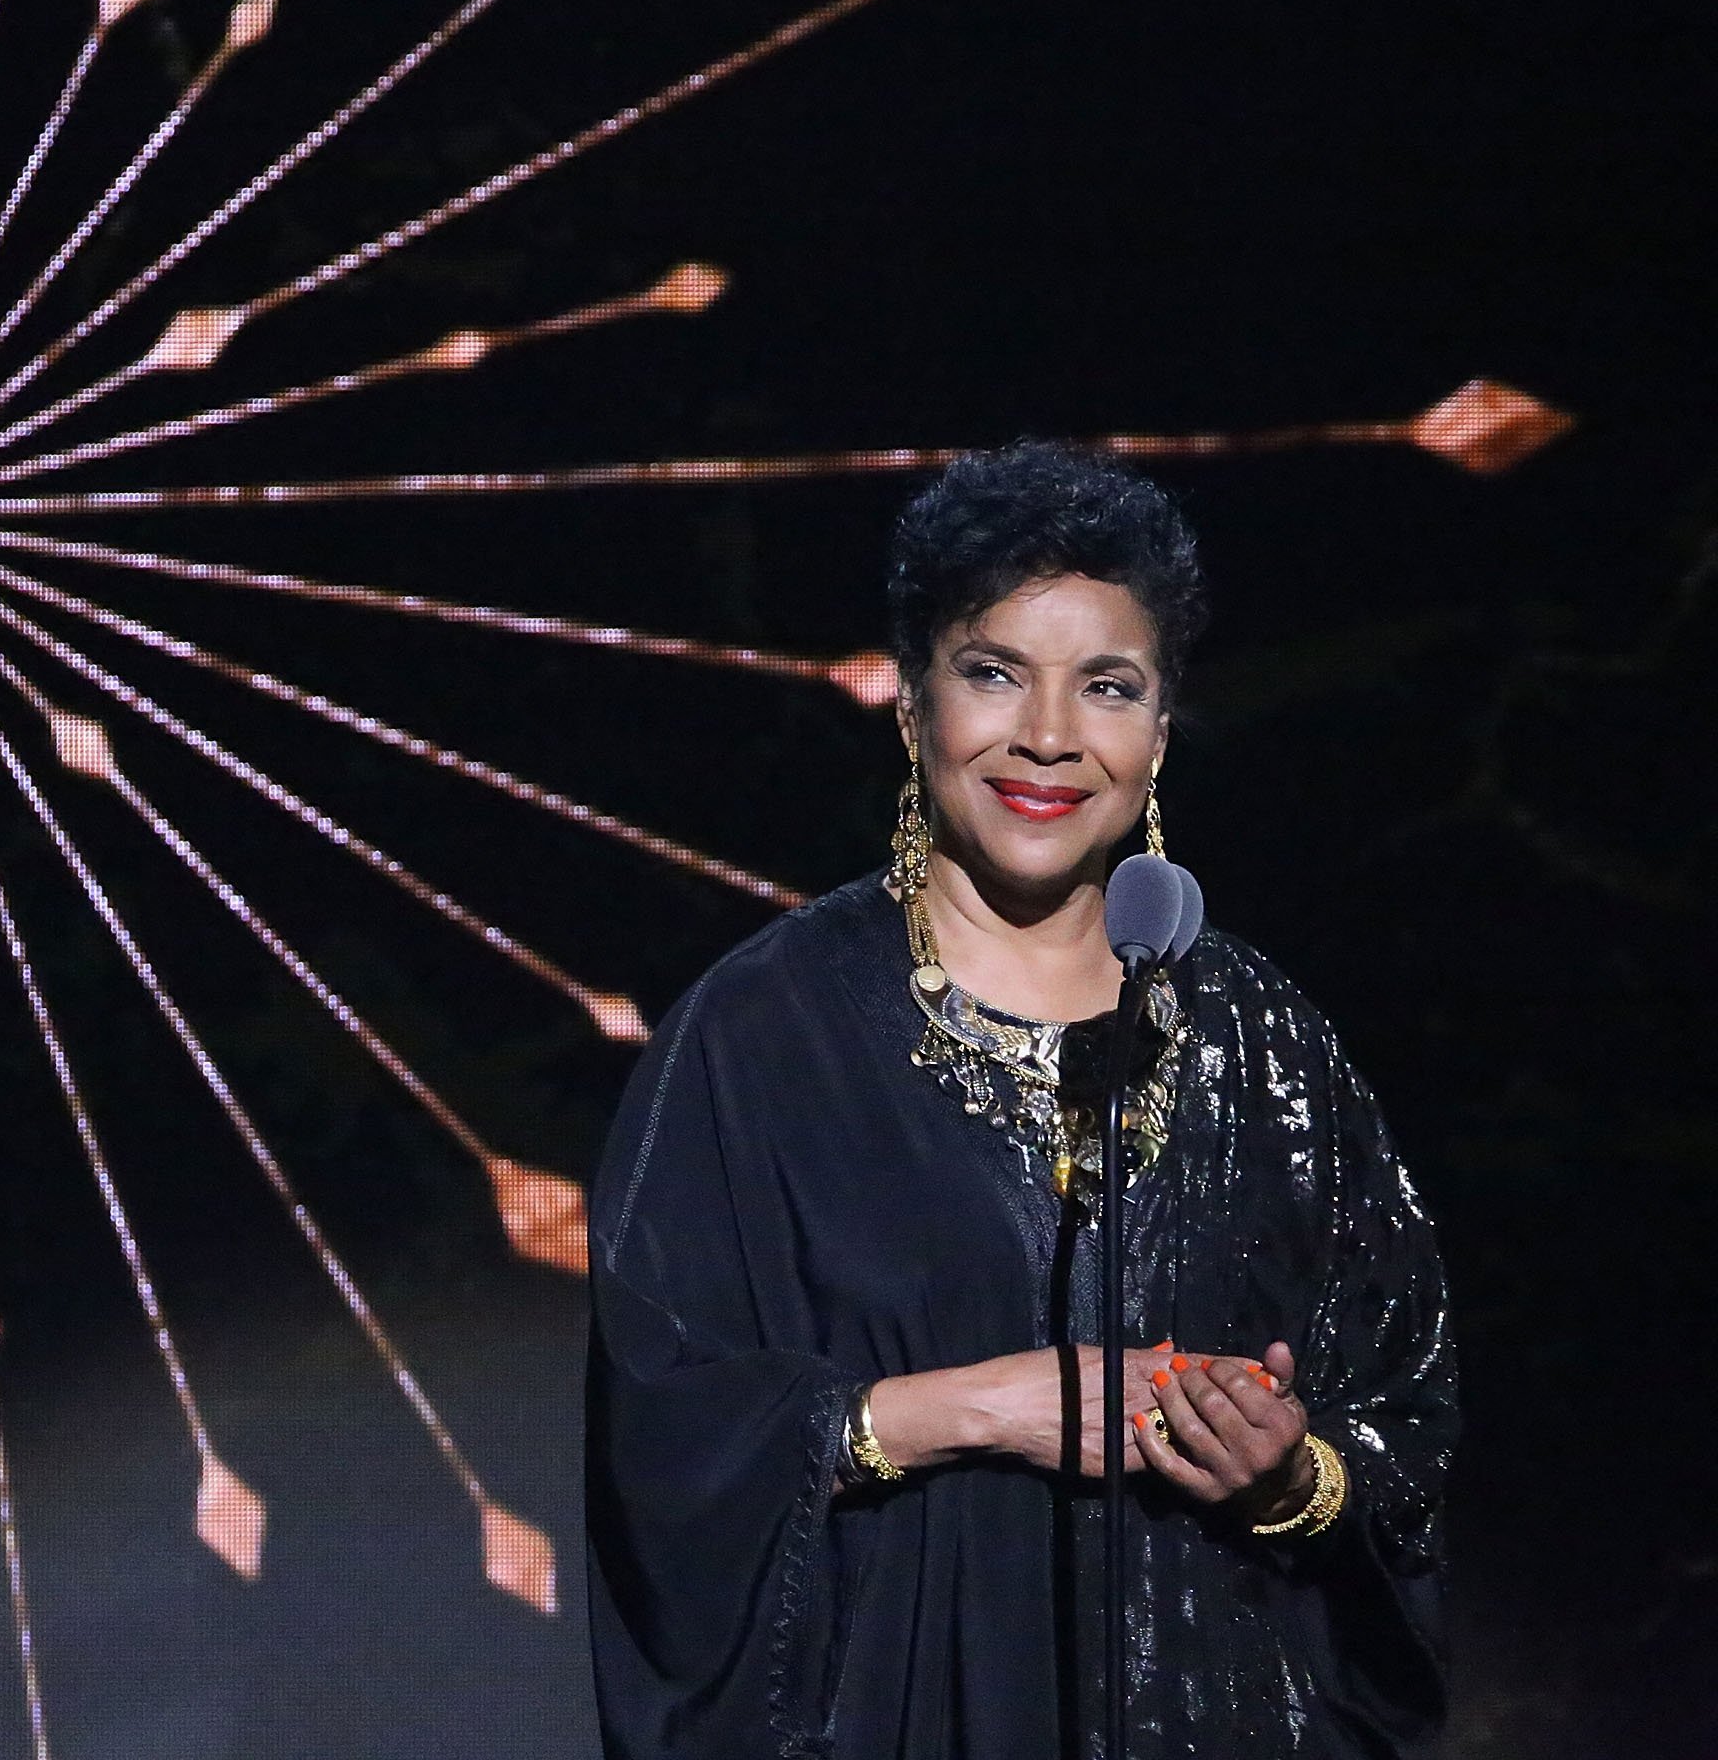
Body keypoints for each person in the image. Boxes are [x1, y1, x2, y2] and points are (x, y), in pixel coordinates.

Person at [584, 443, 1457, 1758]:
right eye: (993, 672)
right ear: (910, 702)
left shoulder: (1260, 1037)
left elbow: (1408, 1411)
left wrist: (1294, 1473)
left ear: (1158, 733)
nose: (1049, 735)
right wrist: (974, 1406)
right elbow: (663, 1438)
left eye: (1107, 686)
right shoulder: (765, 1033)